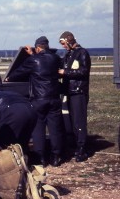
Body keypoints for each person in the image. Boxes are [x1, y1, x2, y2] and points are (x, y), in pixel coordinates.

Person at [5, 36, 65, 167]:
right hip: (54, 98)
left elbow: (20, 71)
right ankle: (56, 157)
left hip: (39, 99)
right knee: (55, 129)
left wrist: (9, 78)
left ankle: (41, 158)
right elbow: (46, 62)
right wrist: (34, 54)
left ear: (37, 47)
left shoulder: (33, 60)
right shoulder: (56, 59)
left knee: (38, 129)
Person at [58, 31, 91, 162]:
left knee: (79, 121)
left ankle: (82, 147)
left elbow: (84, 71)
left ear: (69, 41)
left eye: (63, 44)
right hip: (70, 91)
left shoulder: (82, 53)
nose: (63, 46)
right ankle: (76, 145)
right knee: (71, 121)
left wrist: (65, 72)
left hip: (79, 92)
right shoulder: (69, 54)